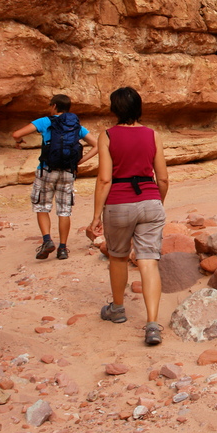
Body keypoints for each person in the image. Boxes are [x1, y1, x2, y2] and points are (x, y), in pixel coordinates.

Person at [90, 87, 169, 346]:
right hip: (150, 200)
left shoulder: (108, 136)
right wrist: (157, 202)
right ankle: (153, 324)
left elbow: (104, 179)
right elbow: (164, 178)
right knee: (148, 261)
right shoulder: (152, 135)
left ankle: (118, 309)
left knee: (118, 256)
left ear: (115, 110)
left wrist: (95, 216)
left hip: (119, 203)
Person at [12, 94, 98, 261]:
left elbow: (16, 134)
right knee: (64, 210)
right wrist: (79, 161)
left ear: (54, 106)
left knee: (42, 207)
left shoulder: (45, 121)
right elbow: (97, 145)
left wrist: (19, 140)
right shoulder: (75, 126)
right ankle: (63, 249)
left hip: (46, 170)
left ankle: (47, 240)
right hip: (68, 172)